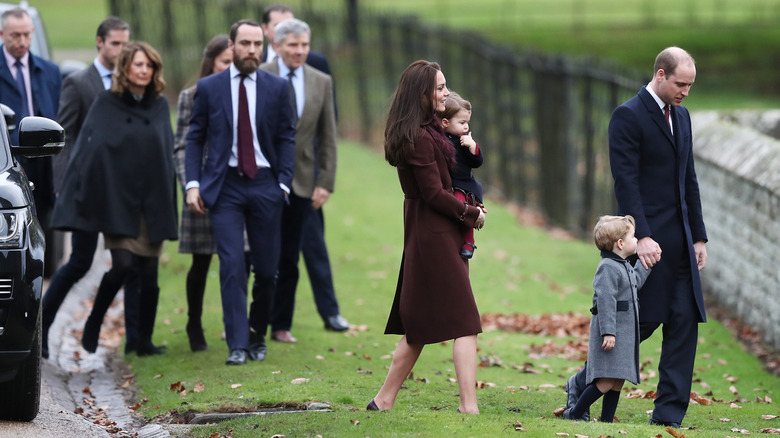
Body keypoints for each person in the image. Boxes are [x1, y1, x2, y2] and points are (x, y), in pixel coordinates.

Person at [563, 46, 708, 428]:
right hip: (647, 245)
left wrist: (700, 237)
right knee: (637, 324)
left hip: (682, 242)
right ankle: (582, 383)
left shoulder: (684, 117)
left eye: (691, 85)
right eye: (680, 84)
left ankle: (668, 416)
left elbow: (688, 180)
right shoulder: (627, 116)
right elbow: (625, 182)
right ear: (660, 75)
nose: (685, 92)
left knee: (684, 323)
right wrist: (641, 236)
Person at [367, 60, 486, 414]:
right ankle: (469, 406)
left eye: (445, 86)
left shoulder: (429, 129)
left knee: (419, 324)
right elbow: (434, 194)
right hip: (432, 233)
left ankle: (383, 400)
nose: (446, 92)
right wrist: (471, 214)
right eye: (439, 87)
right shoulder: (419, 137)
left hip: (435, 231)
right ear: (421, 93)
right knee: (466, 321)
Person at [50, 41, 178, 357]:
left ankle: (143, 341)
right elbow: (90, 152)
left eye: (149, 66)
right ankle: (94, 319)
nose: (144, 71)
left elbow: (165, 154)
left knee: (148, 272)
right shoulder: (107, 103)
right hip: (118, 202)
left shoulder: (160, 105)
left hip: (152, 202)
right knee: (122, 265)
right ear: (125, 68)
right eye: (138, 65)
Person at [185, 19, 296, 366]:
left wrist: (283, 184)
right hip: (226, 187)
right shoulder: (209, 88)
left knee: (265, 270)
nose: (252, 50)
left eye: (257, 44)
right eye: (245, 43)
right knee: (232, 265)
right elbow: (194, 138)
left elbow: (286, 137)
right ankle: (236, 344)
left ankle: (255, 336)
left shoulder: (277, 88)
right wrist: (193, 184)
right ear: (231, 47)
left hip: (266, 184)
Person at [42, 16, 131, 359]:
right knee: (79, 261)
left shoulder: (130, 84)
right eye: (115, 44)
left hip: (121, 192)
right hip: (86, 190)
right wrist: (64, 187)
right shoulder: (79, 83)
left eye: (126, 44)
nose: (121, 50)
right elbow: (63, 138)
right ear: (100, 42)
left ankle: (130, 335)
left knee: (129, 262)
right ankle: (44, 327)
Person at [261, 3, 349, 334]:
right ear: (276, 42)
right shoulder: (261, 74)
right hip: (265, 179)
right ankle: (258, 320)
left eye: (304, 45)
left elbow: (329, 133)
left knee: (308, 249)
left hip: (306, 180)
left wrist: (324, 181)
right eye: (293, 44)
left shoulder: (320, 78)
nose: (299, 50)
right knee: (262, 254)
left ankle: (310, 318)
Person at [172, 34, 237, 352]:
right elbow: (183, 145)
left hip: (238, 189)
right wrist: (190, 185)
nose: (230, 68)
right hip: (202, 189)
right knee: (201, 262)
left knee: (239, 260)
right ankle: (194, 323)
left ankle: (234, 325)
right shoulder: (192, 95)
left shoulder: (246, 93)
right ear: (210, 62)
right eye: (225, 62)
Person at [562, 215, 650, 422]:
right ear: (620, 243)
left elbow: (635, 282)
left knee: (618, 380)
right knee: (606, 380)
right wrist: (608, 332)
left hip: (624, 332)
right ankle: (574, 413)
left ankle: (607, 421)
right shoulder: (608, 267)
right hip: (612, 333)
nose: (637, 240)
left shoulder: (623, 264)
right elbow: (605, 301)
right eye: (633, 236)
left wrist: (647, 265)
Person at [0, 7, 61, 270]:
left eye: (26, 34)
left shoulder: (49, 71)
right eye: (15, 35)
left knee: (44, 223)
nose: (22, 41)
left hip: (42, 159)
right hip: (7, 158)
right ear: (2, 34)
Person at [437, 91, 484, 259]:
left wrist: (473, 148)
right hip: (447, 184)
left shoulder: (464, 141)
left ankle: (468, 241)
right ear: (445, 122)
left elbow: (477, 163)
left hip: (464, 185)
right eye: (462, 122)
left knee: (461, 204)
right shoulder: (438, 139)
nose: (466, 127)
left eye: (467, 122)